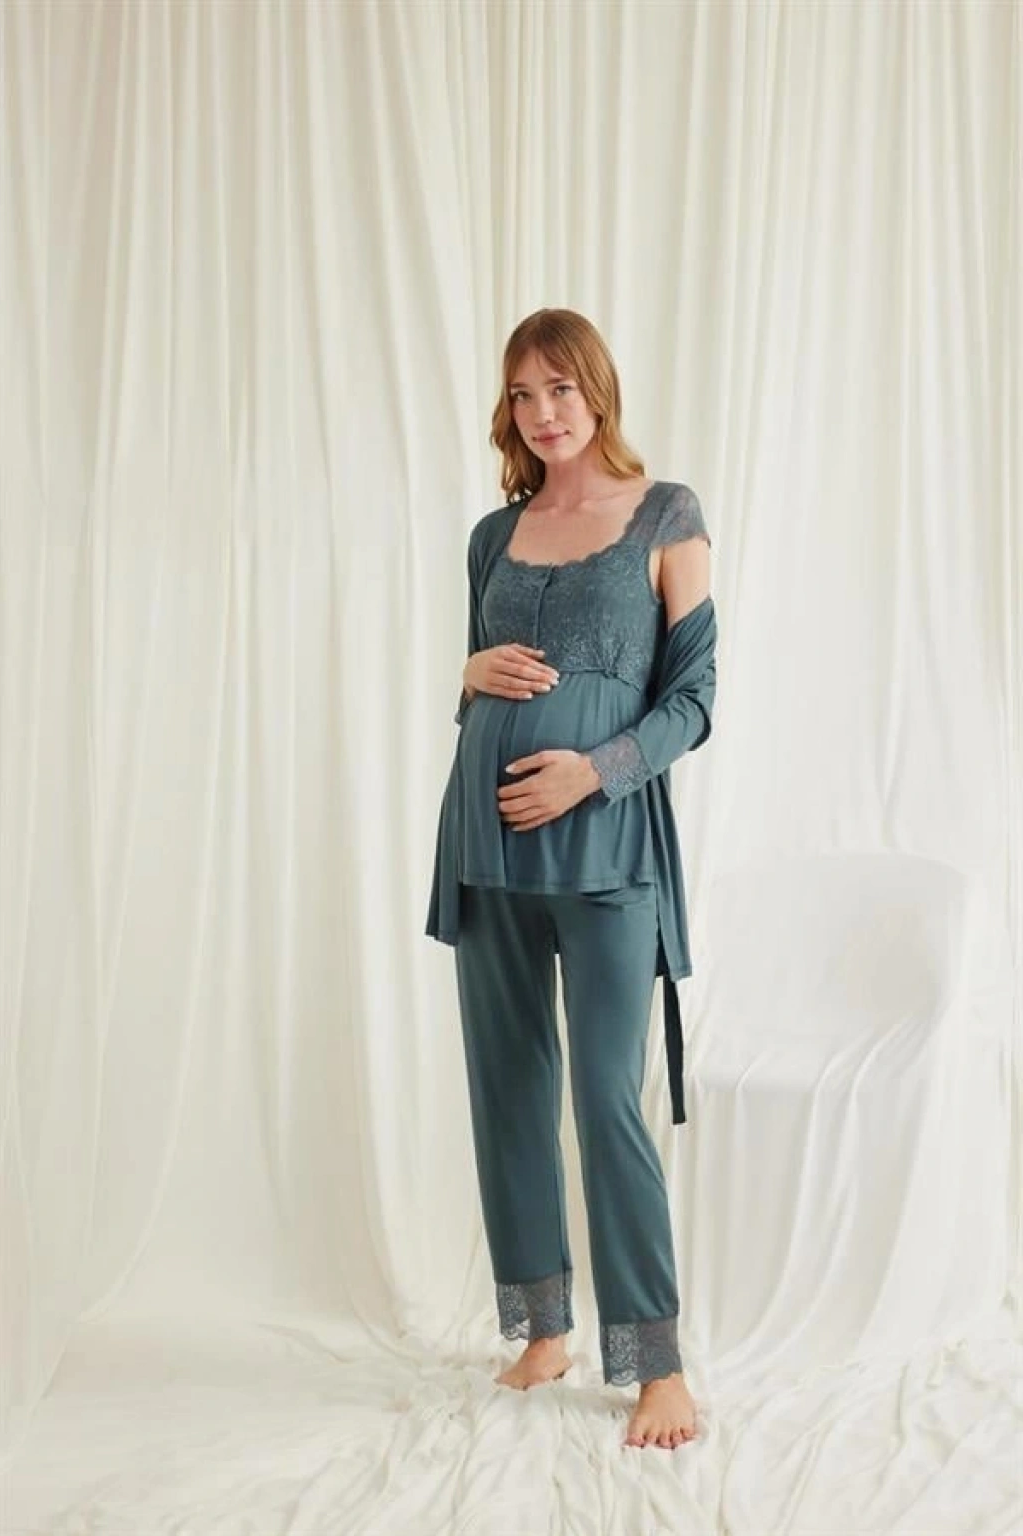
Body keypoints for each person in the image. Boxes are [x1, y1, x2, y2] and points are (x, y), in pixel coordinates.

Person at [425, 307, 717, 1450]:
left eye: (559, 388)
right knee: (506, 1087)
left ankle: (655, 1365)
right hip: (487, 844)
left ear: (596, 390)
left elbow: (693, 698)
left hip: (605, 849)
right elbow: (476, 693)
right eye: (521, 394)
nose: (542, 412)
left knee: (604, 1099)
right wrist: (466, 671)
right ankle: (543, 1331)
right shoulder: (492, 535)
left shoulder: (666, 514)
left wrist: (592, 773)